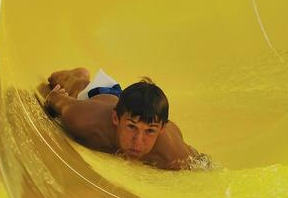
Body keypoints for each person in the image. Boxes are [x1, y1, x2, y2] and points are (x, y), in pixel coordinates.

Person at [37, 68, 204, 170]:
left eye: (150, 132)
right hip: (103, 96)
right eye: (131, 127)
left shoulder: (173, 155)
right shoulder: (86, 119)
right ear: (115, 118)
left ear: (161, 129)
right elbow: (55, 99)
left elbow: (199, 162)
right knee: (79, 89)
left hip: (137, 110)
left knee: (139, 115)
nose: (138, 142)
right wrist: (54, 97)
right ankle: (77, 75)